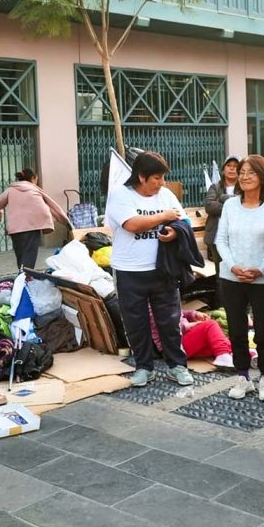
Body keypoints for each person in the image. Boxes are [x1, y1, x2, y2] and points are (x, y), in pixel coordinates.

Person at [105, 151, 194, 388]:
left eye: (163, 177)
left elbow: (184, 221)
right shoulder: (120, 195)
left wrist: (174, 232)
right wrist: (163, 216)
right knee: (136, 322)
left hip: (162, 269)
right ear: (141, 176)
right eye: (157, 178)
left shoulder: (165, 195)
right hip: (129, 271)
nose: (162, 183)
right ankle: (143, 367)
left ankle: (177, 366)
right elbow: (132, 224)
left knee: (170, 320)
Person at [215, 154, 264, 401]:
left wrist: (262, 268)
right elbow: (221, 239)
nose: (243, 176)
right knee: (237, 329)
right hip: (232, 278)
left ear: (263, 176)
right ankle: (242, 376)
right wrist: (233, 267)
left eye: (250, 172)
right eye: (241, 172)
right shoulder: (231, 205)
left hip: (263, 278)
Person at [0, 167, 71, 270]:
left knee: (20, 255)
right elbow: (52, 207)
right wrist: (66, 222)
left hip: (15, 229)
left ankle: (22, 275)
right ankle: (25, 277)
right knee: (29, 255)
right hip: (32, 227)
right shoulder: (35, 190)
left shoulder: (10, 190)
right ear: (33, 178)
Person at [204, 154, 241, 297]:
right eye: (229, 166)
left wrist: (223, 199)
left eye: (235, 167)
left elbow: (242, 205)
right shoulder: (215, 186)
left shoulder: (243, 187)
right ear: (223, 169)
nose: (232, 169)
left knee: (237, 270)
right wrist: (231, 205)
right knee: (221, 272)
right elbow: (209, 206)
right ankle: (222, 305)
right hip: (216, 236)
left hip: (236, 237)